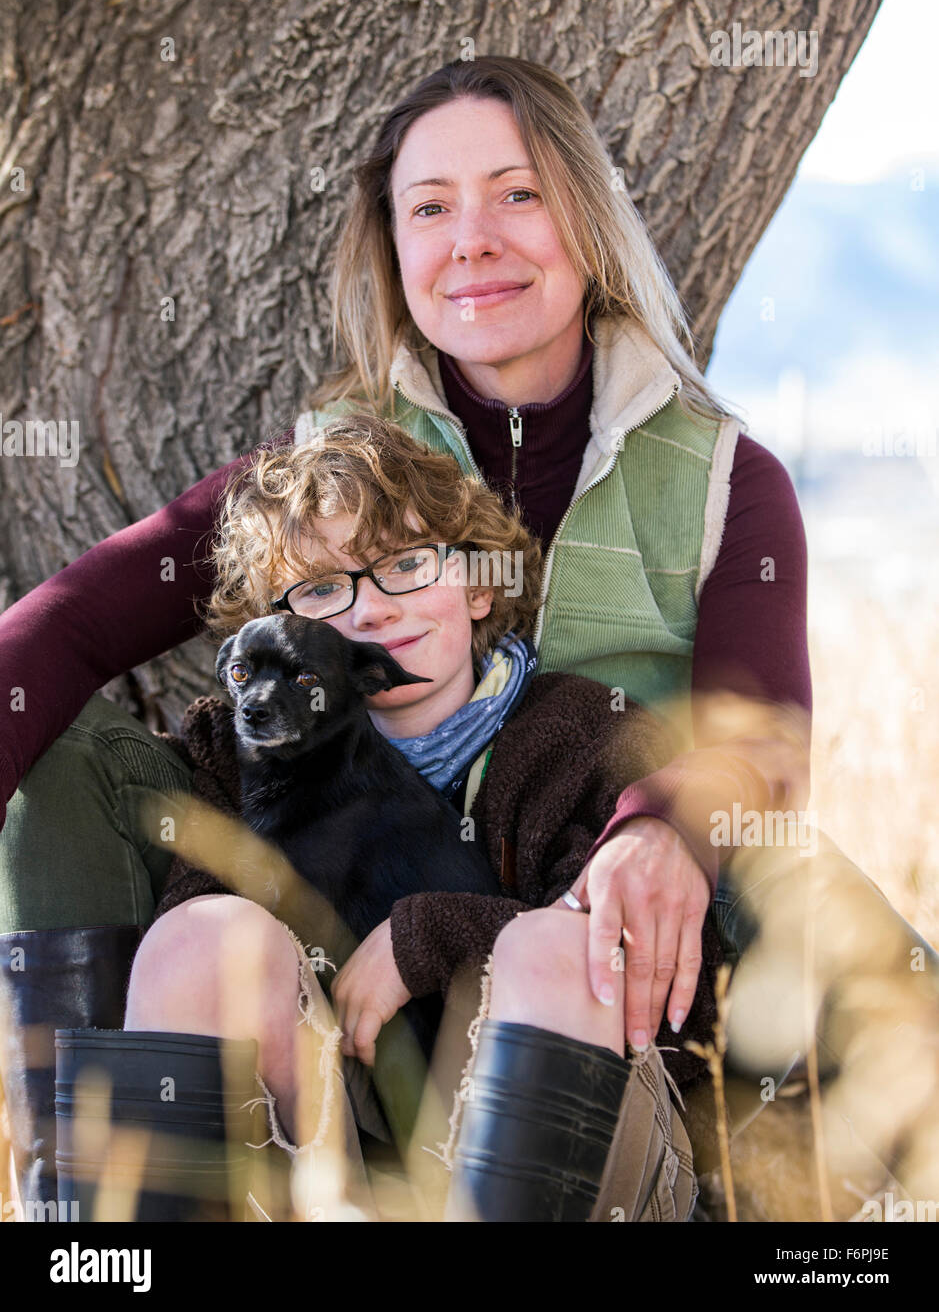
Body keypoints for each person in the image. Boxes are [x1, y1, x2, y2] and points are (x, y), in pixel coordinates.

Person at [0, 55, 935, 1215]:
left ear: (584, 219)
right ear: (392, 248)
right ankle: (79, 1202)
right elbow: (77, 617)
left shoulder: (722, 483)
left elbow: (767, 739)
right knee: (63, 752)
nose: (472, 239)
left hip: (588, 978)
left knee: (742, 854)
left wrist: (657, 832)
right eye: (430, 208)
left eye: (518, 193)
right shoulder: (327, 469)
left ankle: (783, 1177)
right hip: (325, 994)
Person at [122, 414, 717, 1222]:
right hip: (336, 1132)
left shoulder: (587, 734)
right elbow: (198, 938)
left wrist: (426, 935)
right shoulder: (244, 750)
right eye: (325, 588)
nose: (370, 612)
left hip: (573, 1146)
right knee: (198, 935)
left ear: (478, 585)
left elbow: (637, 957)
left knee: (557, 945)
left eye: (406, 563)